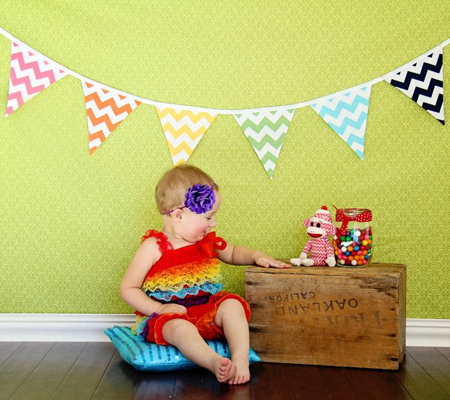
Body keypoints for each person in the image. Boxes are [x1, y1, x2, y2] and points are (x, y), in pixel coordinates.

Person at [120, 164, 290, 385]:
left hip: (207, 308)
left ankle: (240, 359)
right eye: (209, 217)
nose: (214, 223)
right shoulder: (154, 247)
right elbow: (128, 288)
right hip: (171, 315)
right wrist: (159, 309)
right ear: (179, 215)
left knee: (232, 306)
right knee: (180, 328)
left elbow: (233, 252)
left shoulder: (207, 241)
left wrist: (256, 256)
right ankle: (213, 361)